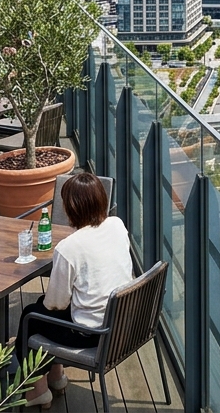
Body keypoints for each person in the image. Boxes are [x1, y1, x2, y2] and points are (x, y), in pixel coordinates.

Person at [21, 172, 133, 409]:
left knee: (30, 316)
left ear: (71, 207)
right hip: (123, 324)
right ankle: (56, 377)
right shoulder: (117, 225)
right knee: (42, 308)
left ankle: (37, 392)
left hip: (92, 334)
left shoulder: (69, 248)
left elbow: (56, 303)